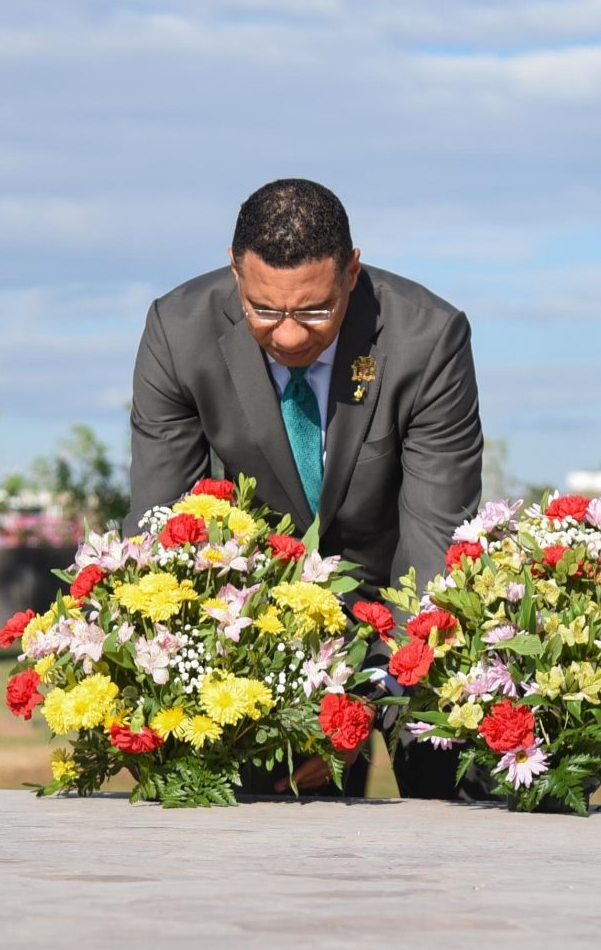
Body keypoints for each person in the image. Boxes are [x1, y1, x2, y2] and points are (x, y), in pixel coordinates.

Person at [128, 178, 483, 797]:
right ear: (236, 271)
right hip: (258, 623)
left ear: (351, 271)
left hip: (394, 606)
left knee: (451, 778)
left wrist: (363, 704)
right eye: (265, 310)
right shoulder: (176, 333)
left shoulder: (428, 340)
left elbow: (434, 548)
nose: (290, 335)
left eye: (316, 310)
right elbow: (163, 533)